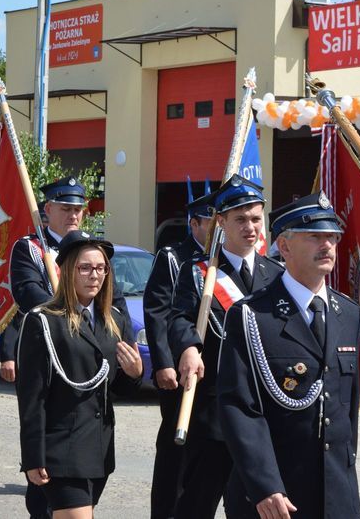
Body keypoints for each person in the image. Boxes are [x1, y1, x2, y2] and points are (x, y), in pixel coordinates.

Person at [218, 192, 360, 519]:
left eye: (332, 238)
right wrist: (264, 484)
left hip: (336, 493)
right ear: (284, 247)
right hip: (276, 495)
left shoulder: (348, 313)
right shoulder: (253, 315)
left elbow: (346, 410)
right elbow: (239, 407)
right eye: (315, 237)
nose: (327, 246)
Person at [8, 176, 133, 519]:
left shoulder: (102, 282)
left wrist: (132, 369)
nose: (74, 215)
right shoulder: (31, 249)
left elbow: (114, 312)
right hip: (60, 431)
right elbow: (28, 296)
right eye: (66, 209)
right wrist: (67, 311)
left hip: (95, 443)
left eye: (79, 209)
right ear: (48, 211)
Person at [168, 174, 284, 518]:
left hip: (263, 414)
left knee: (253, 506)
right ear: (221, 222)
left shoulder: (276, 274)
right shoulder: (198, 273)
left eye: (255, 218)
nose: (250, 227)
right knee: (196, 503)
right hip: (213, 411)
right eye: (240, 219)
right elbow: (178, 319)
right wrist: (188, 346)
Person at [144, 192, 213, 519]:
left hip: (213, 376)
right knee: (177, 452)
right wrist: (163, 364)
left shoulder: (223, 261)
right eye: (211, 222)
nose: (218, 229)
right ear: (194, 223)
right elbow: (157, 312)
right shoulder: (175, 257)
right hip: (180, 374)